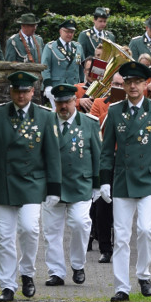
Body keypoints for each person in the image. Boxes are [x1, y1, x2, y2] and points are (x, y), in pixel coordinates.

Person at [0, 71, 61, 302]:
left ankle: (27, 273)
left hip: (32, 182)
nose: (21, 95)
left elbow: (52, 154)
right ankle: (8, 285)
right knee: (4, 237)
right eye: (16, 90)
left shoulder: (45, 116)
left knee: (30, 229)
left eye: (25, 91)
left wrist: (54, 188)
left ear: (33, 92)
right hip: (4, 182)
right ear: (11, 91)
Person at [99, 61, 151, 302]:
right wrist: (104, 180)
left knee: (146, 229)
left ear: (146, 85)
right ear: (123, 85)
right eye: (128, 82)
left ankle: (143, 274)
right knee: (122, 236)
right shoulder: (114, 111)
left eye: (137, 82)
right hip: (123, 179)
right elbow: (106, 149)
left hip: (150, 178)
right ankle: (121, 286)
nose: (133, 86)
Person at [42, 84, 101, 287]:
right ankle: (56, 272)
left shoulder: (89, 123)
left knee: (80, 223)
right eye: (59, 102)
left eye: (67, 101)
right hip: (52, 186)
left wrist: (98, 184)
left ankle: (78, 264)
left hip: (80, 183)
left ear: (75, 101)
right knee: (52, 231)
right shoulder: (46, 122)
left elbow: (97, 155)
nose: (63, 106)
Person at [90, 71, 125, 264]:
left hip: (124, 160)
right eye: (116, 84)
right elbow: (96, 127)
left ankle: (120, 246)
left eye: (122, 85)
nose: (118, 88)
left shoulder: (130, 106)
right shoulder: (99, 103)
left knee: (121, 206)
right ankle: (105, 248)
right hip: (105, 158)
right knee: (102, 206)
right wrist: (111, 109)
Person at [42, 19, 85, 110]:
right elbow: (45, 67)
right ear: (60, 31)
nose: (70, 34)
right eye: (67, 31)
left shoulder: (77, 47)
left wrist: (82, 84)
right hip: (57, 86)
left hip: (74, 86)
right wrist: (48, 85)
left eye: (72, 32)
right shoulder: (50, 47)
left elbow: (81, 67)